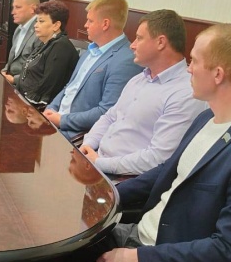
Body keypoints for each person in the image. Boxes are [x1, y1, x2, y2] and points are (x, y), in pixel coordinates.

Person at [33, 24, 231, 262]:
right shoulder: (206, 120)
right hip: (142, 235)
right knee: (48, 257)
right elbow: (163, 175)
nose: (188, 68)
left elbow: (224, 251)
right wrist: (100, 197)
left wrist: (139, 258)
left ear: (218, 74)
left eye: (194, 61)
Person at [80, 10, 207, 175]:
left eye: (139, 38)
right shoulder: (139, 78)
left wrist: (100, 163)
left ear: (161, 42)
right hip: (98, 159)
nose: (132, 45)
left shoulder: (186, 93)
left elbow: (158, 158)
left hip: (125, 178)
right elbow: (110, 117)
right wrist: (88, 144)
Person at [43, 0, 143, 139]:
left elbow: (106, 111)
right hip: (55, 122)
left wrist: (62, 120)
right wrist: (51, 108)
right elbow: (69, 87)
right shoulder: (91, 50)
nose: (85, 25)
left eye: (90, 21)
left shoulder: (126, 60)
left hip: (76, 135)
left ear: (105, 24)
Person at [13, 0, 79, 104]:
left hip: (37, 106)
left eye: (41, 21)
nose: (35, 25)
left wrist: (24, 104)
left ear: (56, 25)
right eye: (36, 21)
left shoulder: (60, 47)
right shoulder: (45, 42)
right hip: (23, 98)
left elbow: (48, 89)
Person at [1, 0, 40, 85]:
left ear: (33, 9)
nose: (13, 12)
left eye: (18, 7)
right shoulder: (19, 29)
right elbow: (13, 58)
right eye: (13, 7)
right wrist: (4, 71)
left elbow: (37, 69)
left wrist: (14, 80)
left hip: (24, 84)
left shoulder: (39, 31)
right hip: (9, 78)